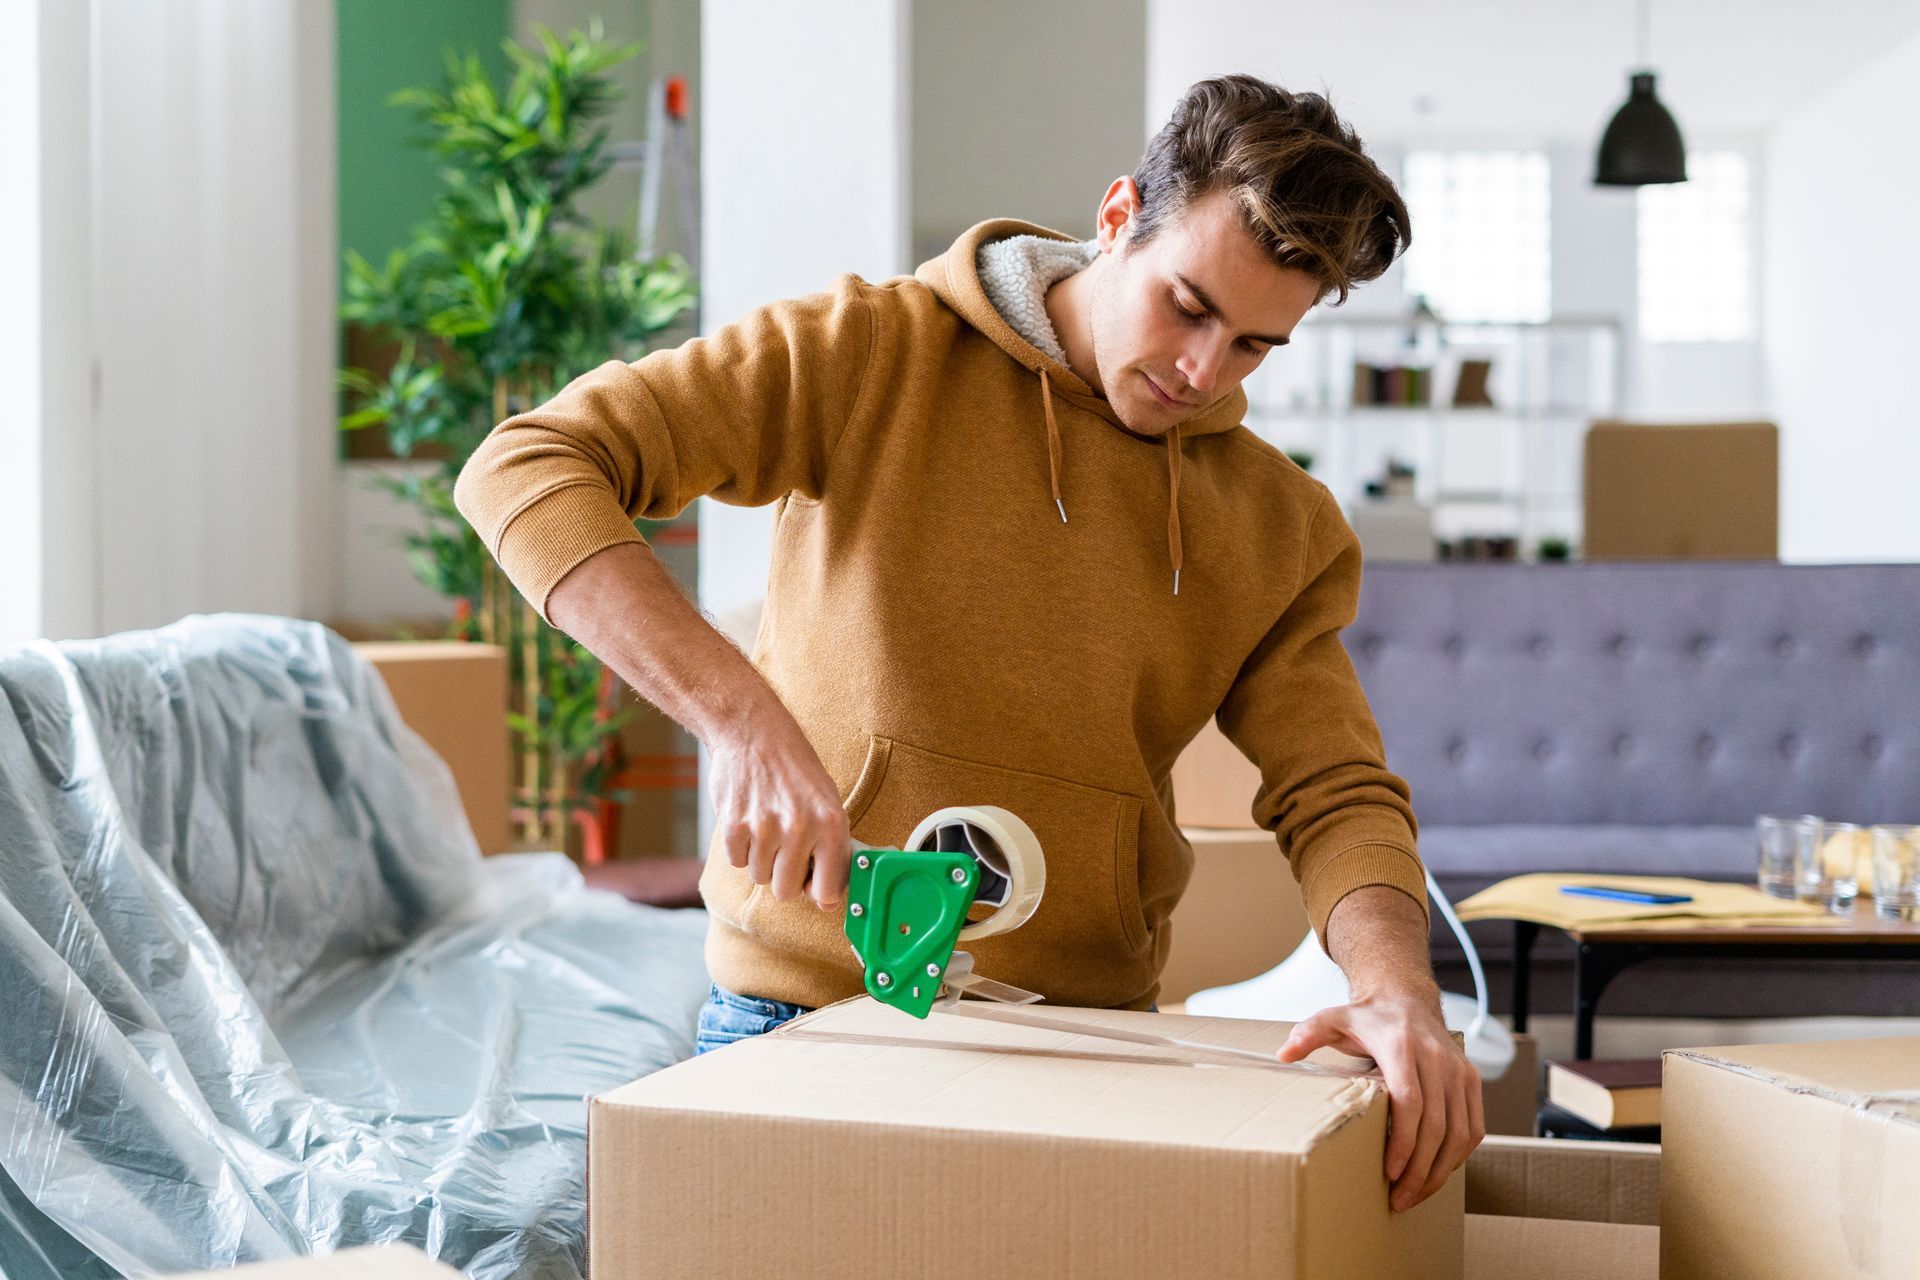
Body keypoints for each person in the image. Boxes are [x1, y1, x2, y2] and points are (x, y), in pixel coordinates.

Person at [453, 74, 1482, 1211]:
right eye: (1187, 306)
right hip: (802, 1019)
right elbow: (528, 466)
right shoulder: (872, 352)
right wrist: (739, 720)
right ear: (1115, 215)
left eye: (1252, 345)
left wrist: (1397, 991)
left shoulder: (1279, 526)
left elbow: (1335, 786)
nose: (1202, 371)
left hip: (1085, 1052)